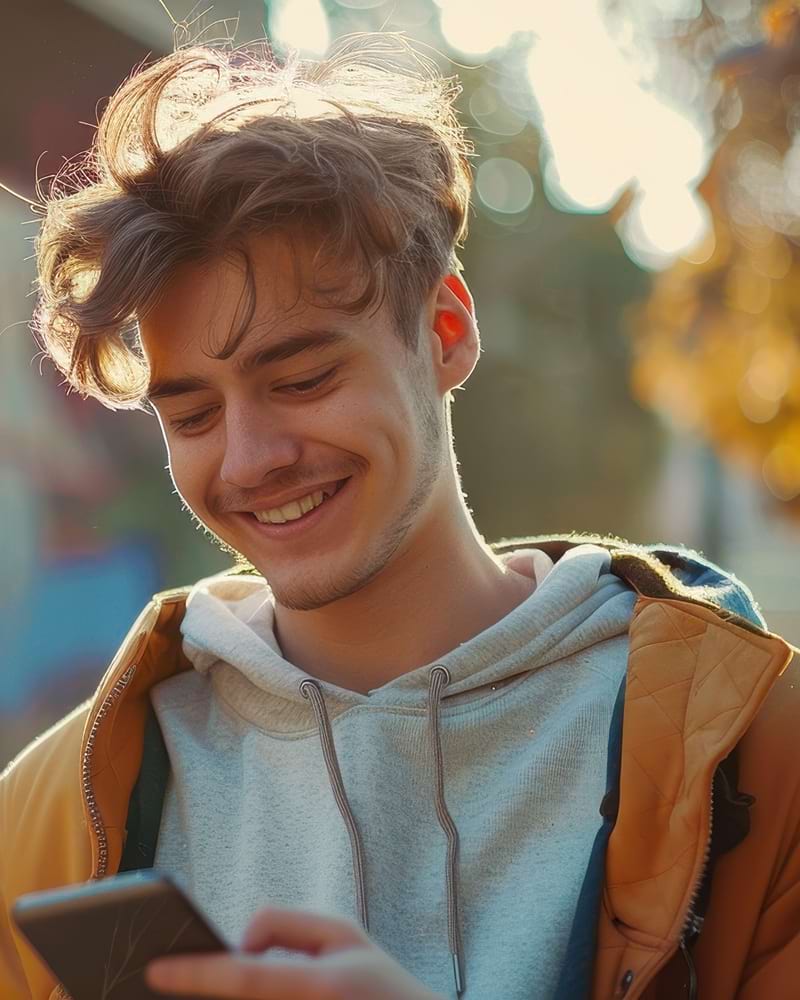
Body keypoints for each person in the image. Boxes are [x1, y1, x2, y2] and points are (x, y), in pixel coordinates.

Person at [1, 36, 798, 1000]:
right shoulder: (47, 814)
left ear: (446, 331)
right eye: (193, 415)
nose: (250, 459)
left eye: (301, 377)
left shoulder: (760, 751)